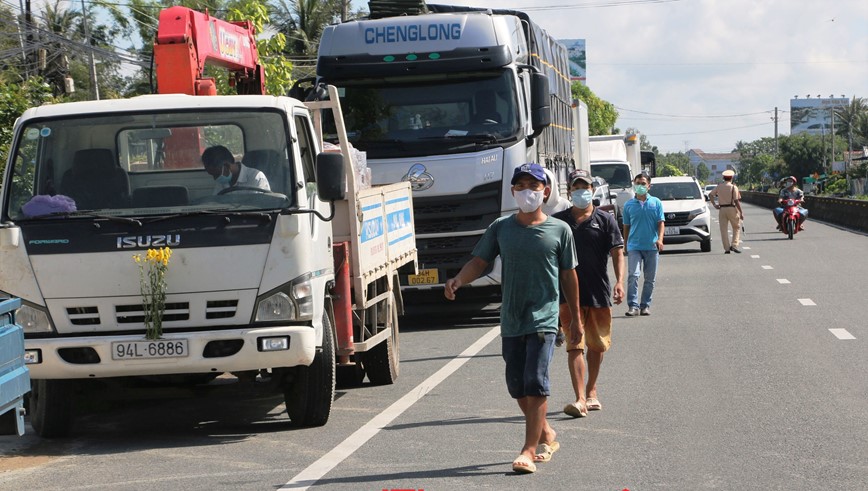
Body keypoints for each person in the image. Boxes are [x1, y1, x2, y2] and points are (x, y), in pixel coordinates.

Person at [444, 162, 580, 475]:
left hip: (544, 318)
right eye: (521, 186)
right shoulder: (501, 227)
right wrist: (459, 280)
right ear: (512, 191)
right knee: (517, 386)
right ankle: (545, 432)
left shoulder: (560, 230)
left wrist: (574, 319)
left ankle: (528, 450)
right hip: (512, 319)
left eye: (533, 186)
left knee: (535, 382)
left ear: (545, 191)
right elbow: (480, 261)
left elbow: (569, 276)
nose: (527, 191)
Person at [552, 169, 625, 417]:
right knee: (575, 345)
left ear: (592, 191)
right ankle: (580, 398)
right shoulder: (559, 221)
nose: (581, 191)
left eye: (585, 187)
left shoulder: (605, 220)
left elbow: (617, 252)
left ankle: (592, 390)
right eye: (576, 187)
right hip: (567, 296)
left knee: (597, 345)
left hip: (598, 291)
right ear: (570, 191)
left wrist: (620, 282)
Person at [622, 173, 664, 317]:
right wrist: (625, 244)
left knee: (649, 278)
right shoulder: (628, 205)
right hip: (634, 246)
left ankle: (645, 305)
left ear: (649, 186)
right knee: (633, 275)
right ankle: (632, 306)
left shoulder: (656, 203)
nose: (640, 186)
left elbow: (661, 223)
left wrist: (660, 239)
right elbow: (626, 226)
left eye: (643, 183)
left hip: (652, 246)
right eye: (637, 183)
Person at [201, 145, 270, 195]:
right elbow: (217, 202)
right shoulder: (221, 182)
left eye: (216, 174)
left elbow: (260, 205)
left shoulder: (256, 178)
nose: (215, 178)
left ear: (226, 166)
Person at [708, 169, 744, 253]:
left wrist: (714, 204)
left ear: (723, 178)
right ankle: (734, 245)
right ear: (731, 178)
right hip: (731, 208)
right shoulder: (733, 187)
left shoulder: (719, 186)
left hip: (722, 209)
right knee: (736, 227)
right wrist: (741, 212)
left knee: (723, 229)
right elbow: (736, 200)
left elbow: (711, 195)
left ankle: (727, 248)